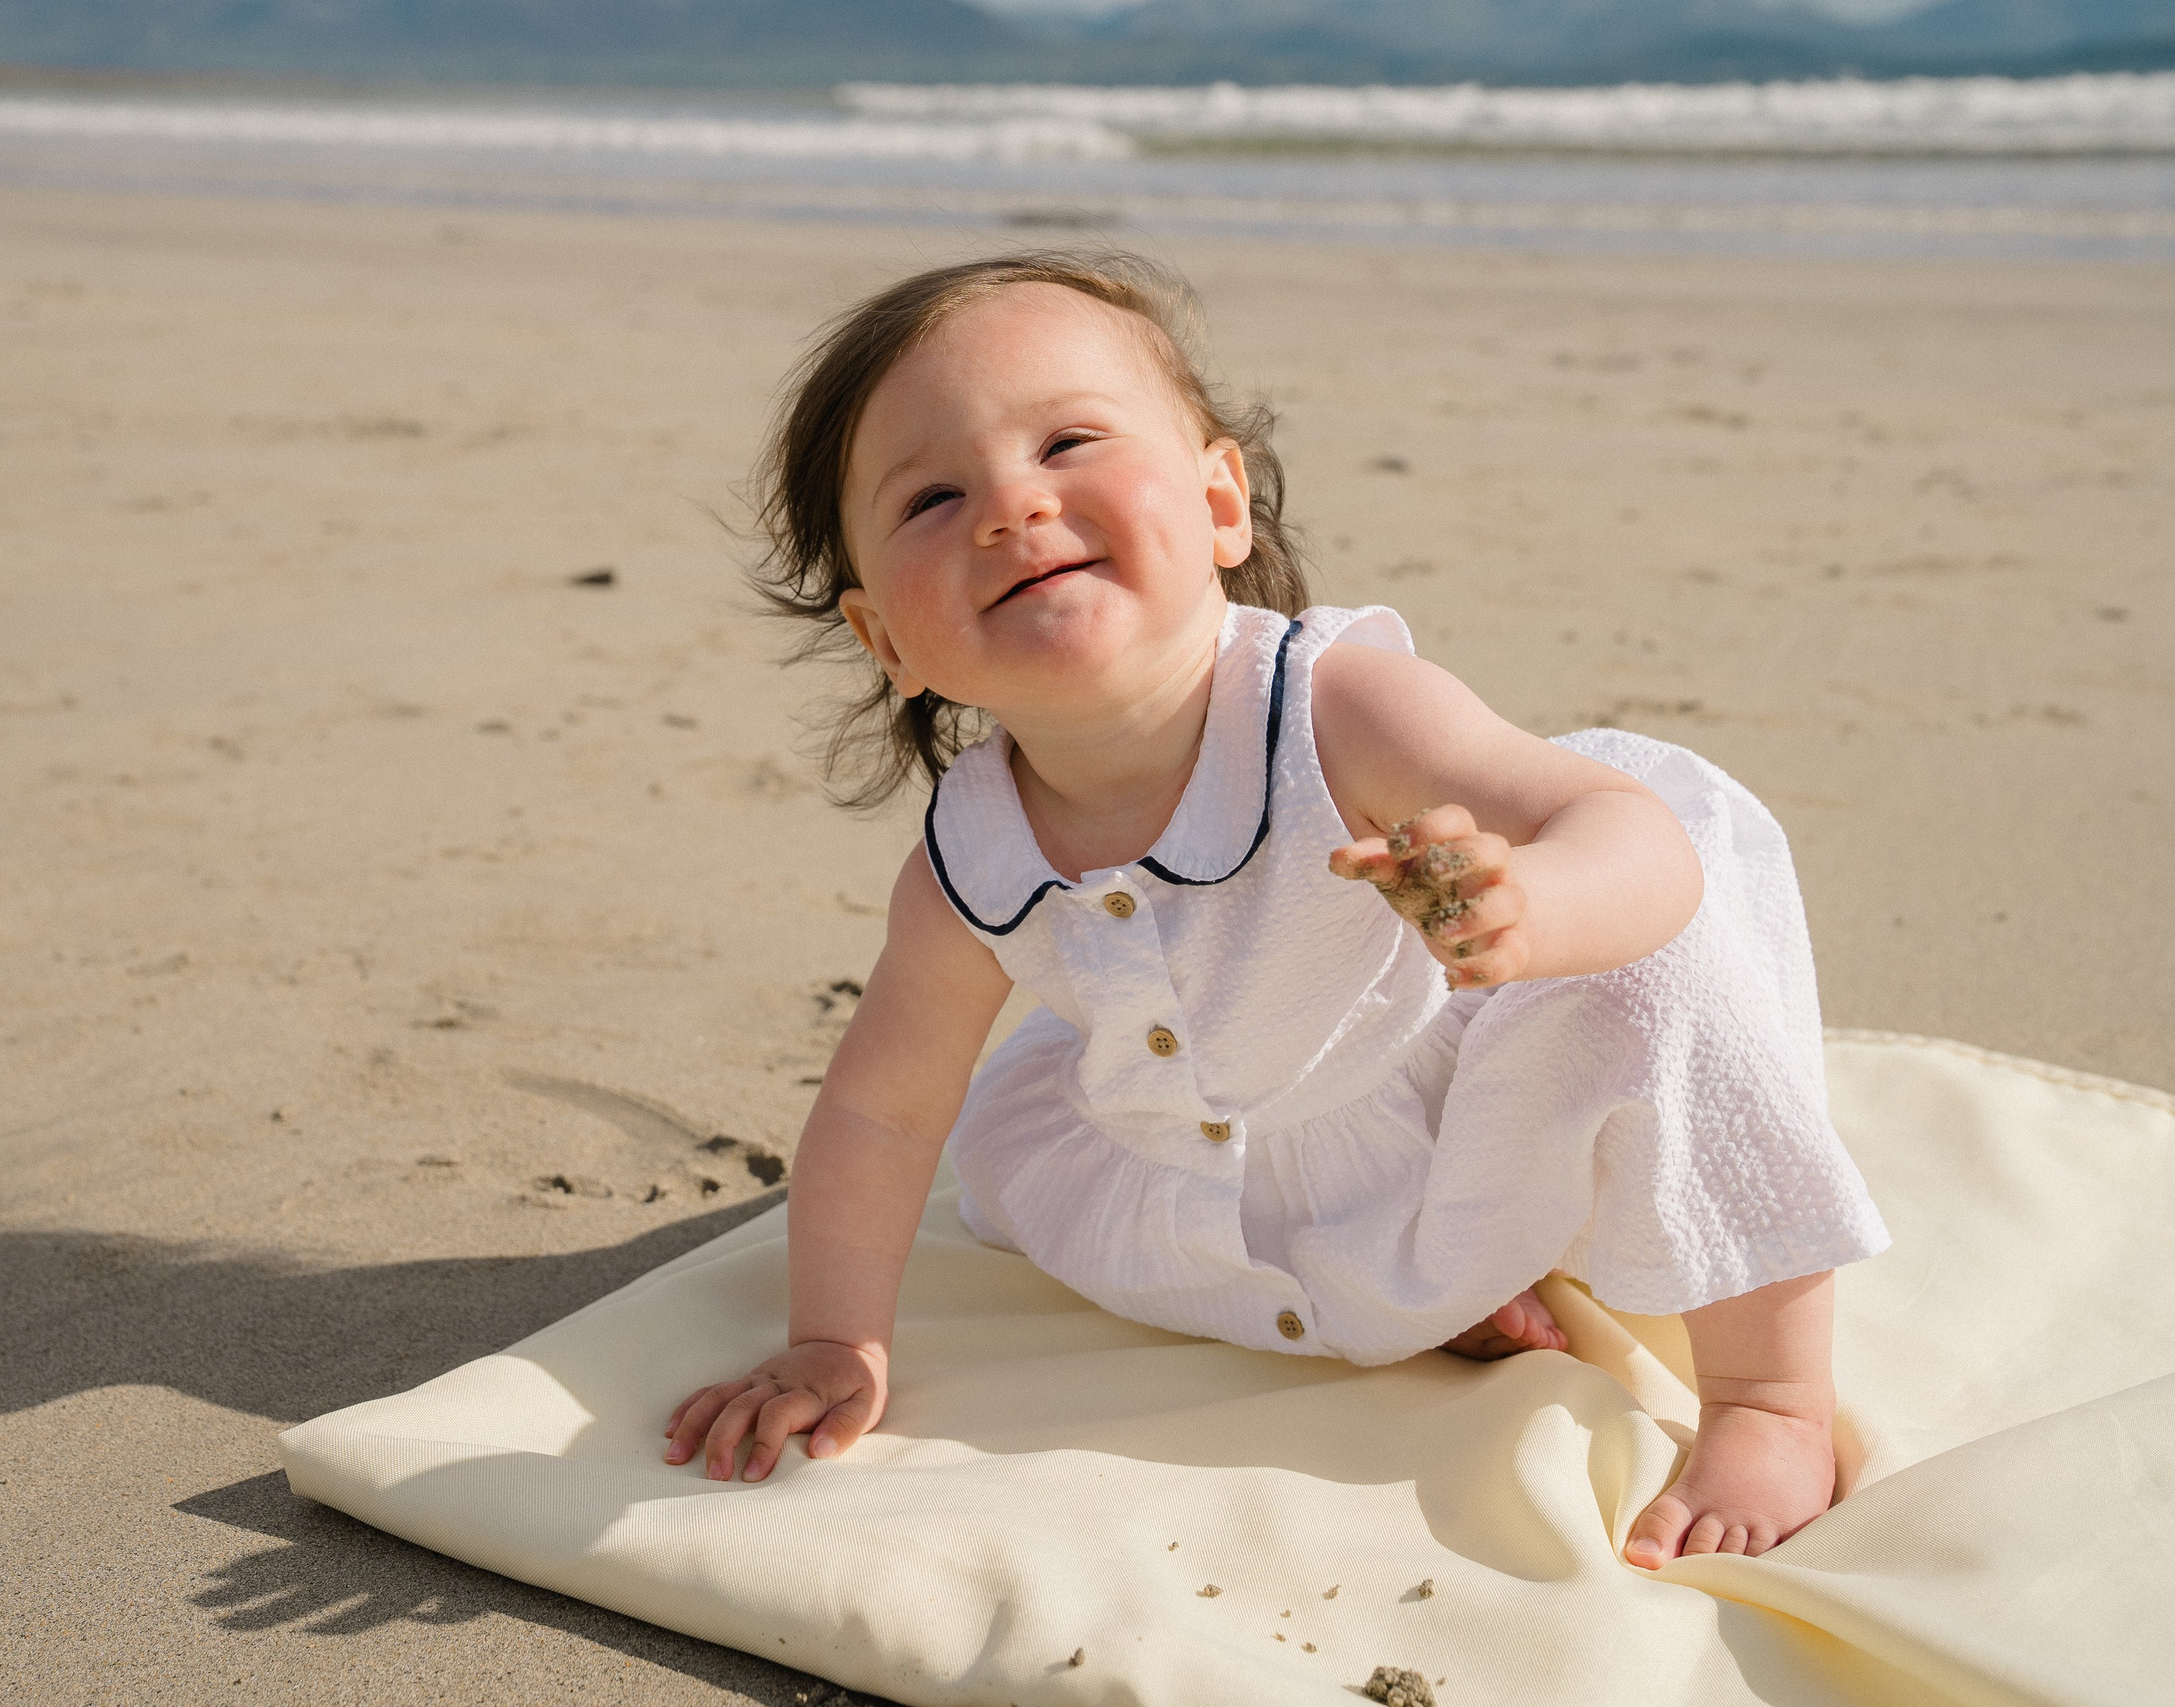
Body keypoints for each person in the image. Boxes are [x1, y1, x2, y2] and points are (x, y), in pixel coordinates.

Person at [662, 253, 1888, 1567]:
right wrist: (834, 1337)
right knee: (1004, 1137)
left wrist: (1535, 900)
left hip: (1457, 1105)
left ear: (1220, 502)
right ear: (885, 643)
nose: (1012, 507)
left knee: (1662, 970)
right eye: (932, 496)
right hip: (1195, 1172)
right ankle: (1436, 1296)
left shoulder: (1334, 708)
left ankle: (1771, 1399)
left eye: (1069, 441)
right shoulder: (968, 855)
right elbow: (881, 1107)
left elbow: (1636, 836)